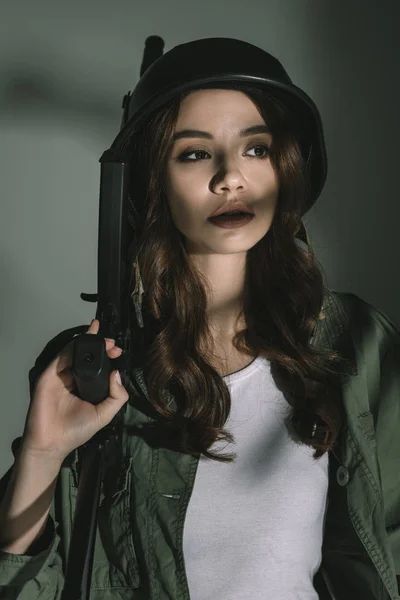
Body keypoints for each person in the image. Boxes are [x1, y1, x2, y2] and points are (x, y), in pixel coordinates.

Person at [0, 37, 399, 600]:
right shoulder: (99, 366)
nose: (230, 177)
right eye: (194, 153)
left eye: (256, 149)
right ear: (153, 182)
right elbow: (24, 588)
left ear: (285, 166)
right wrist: (42, 455)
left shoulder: (351, 343)